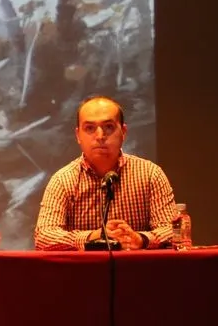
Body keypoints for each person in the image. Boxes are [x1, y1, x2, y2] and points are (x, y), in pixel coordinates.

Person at [34, 95, 178, 251]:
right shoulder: (63, 180)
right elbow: (44, 236)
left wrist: (141, 239)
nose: (100, 136)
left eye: (108, 127)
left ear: (123, 131)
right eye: (90, 128)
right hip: (83, 273)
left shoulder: (150, 174)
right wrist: (94, 236)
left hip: (139, 271)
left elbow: (172, 230)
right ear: (78, 136)